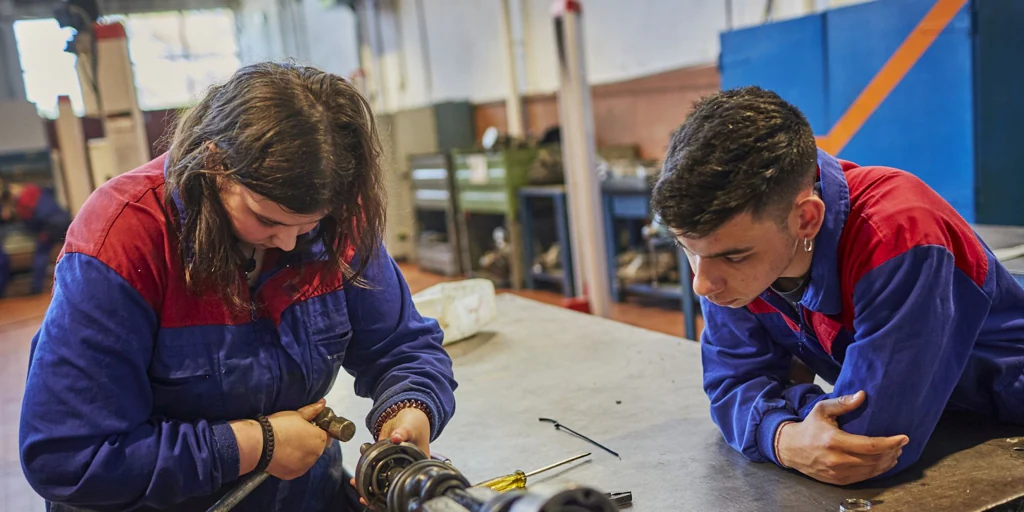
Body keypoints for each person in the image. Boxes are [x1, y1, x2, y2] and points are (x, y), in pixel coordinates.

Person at [19, 61, 458, 511]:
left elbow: (402, 347)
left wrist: (411, 408)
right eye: (267, 220)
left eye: (308, 225)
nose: (289, 240)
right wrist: (254, 444)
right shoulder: (121, 239)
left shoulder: (330, 209)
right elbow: (67, 456)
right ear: (215, 164)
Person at [650, 86, 1024, 486]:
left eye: (734, 256)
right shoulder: (729, 251)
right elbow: (732, 384)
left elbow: (867, 444)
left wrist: (779, 404)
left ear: (807, 219)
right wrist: (783, 436)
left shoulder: (899, 235)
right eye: (687, 249)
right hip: (946, 421)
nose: (702, 284)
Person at [0, 178, 71, 295]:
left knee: (41, 254)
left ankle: (36, 289)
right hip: (63, 219)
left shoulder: (23, 203)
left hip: (51, 225)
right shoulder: (33, 190)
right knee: (69, 252)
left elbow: (32, 222)